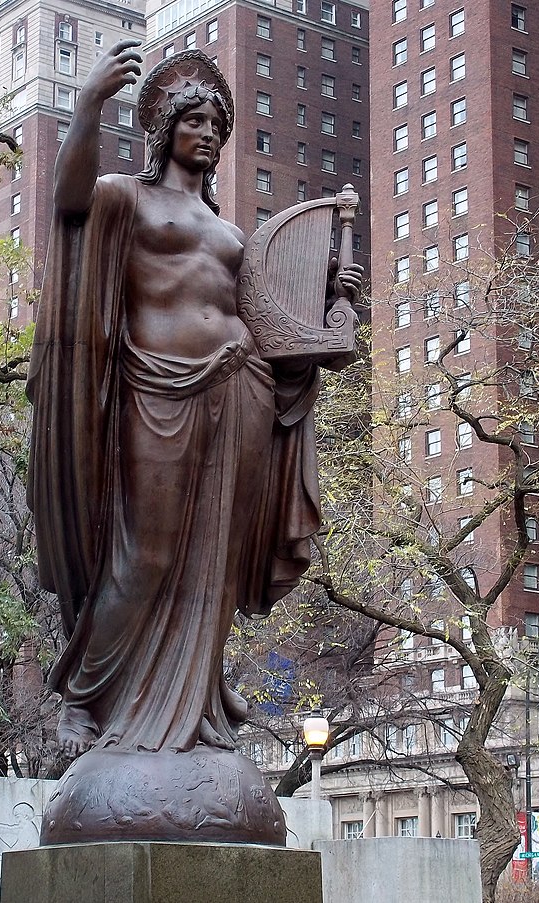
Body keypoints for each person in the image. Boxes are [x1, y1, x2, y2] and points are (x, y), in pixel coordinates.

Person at [27, 42, 362, 762]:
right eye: (196, 120)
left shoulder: (235, 234)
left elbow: (277, 328)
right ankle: (88, 695)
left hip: (241, 389)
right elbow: (68, 201)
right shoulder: (125, 195)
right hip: (157, 388)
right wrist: (87, 105)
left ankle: (199, 697)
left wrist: (333, 310)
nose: (209, 133)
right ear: (164, 128)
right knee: (143, 554)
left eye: (218, 124)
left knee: (215, 557)